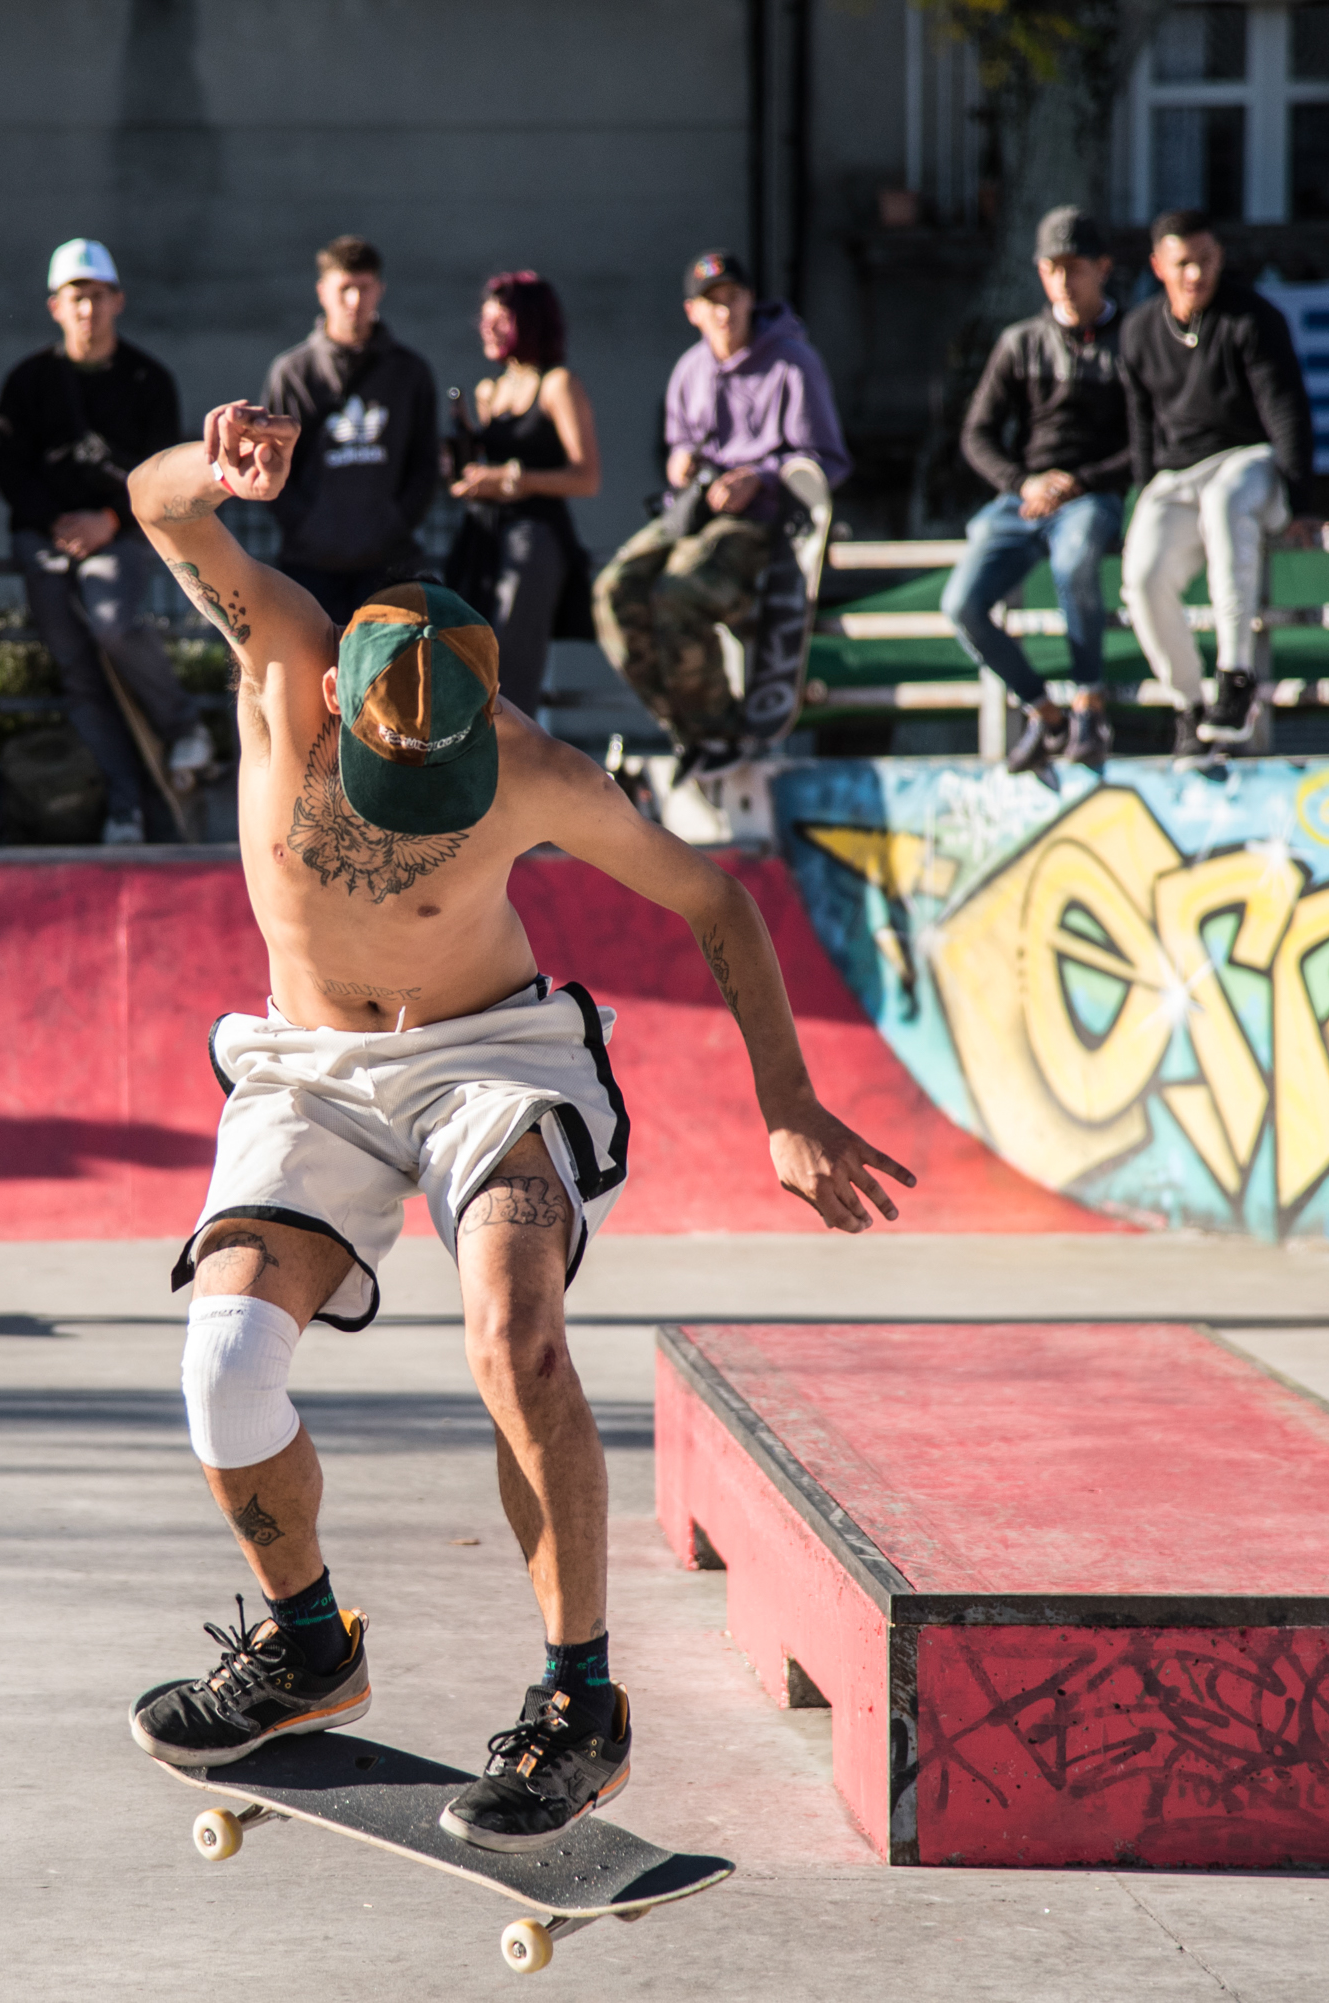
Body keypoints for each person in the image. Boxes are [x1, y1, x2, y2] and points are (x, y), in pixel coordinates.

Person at [121, 403, 915, 1851]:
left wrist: (787, 1099)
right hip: (309, 1065)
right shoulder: (281, 657)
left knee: (516, 1334)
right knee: (226, 1364)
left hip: (490, 1058)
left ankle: (579, 1702)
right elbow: (161, 511)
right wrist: (211, 465)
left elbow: (712, 896)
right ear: (342, 701)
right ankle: (308, 1644)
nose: (430, 804)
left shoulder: (537, 765)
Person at [0, 238, 208, 845]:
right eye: (75, 298)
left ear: (119, 301)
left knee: (112, 621)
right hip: (46, 536)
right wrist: (59, 526)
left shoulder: (148, 379)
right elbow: (11, 470)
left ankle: (182, 725)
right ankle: (123, 806)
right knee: (79, 668)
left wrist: (108, 522)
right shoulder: (29, 381)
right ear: (54, 307)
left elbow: (160, 469)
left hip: (123, 533)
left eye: (97, 297)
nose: (87, 309)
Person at [592, 250, 850, 748]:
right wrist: (681, 464)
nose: (724, 313)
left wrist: (760, 477)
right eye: (712, 303)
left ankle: (718, 730)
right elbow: (678, 447)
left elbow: (827, 459)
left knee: (679, 590)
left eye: (733, 298)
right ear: (692, 311)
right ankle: (686, 728)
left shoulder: (793, 363)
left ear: (751, 299)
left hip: (763, 520)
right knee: (613, 590)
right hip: (696, 510)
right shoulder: (690, 370)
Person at [1117, 211, 1318, 766]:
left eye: (1205, 261)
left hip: (1250, 462)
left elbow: (1288, 411)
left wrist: (1300, 500)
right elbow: (1140, 429)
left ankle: (1236, 677)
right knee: (1143, 574)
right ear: (1158, 267)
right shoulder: (1138, 332)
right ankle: (1188, 706)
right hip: (1177, 473)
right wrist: (1140, 499)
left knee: (1225, 504)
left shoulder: (1252, 319)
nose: (1195, 275)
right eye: (1183, 263)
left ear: (1220, 258)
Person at [948, 207, 1134, 775]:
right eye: (1053, 270)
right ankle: (1041, 710)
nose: (1063, 281)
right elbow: (977, 433)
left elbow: (1149, 442)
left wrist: (1080, 482)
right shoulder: (1020, 343)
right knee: (961, 606)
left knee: (1074, 561)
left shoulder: (1132, 340)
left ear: (1102, 268)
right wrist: (1021, 482)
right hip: (1026, 496)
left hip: (1091, 491)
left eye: (1074, 268)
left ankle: (1088, 702)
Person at [260, 236, 440, 626]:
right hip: (310, 565)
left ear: (380, 290)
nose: (355, 302)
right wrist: (309, 527)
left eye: (364, 289)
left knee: (390, 681)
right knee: (311, 677)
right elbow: (270, 467)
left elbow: (425, 464)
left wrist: (394, 522)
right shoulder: (293, 373)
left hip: (388, 563)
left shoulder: (410, 372)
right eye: (345, 289)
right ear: (323, 292)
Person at [445, 271, 600, 718]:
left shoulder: (558, 385)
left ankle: (514, 773)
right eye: (485, 320)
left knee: (512, 670)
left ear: (530, 322)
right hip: (483, 537)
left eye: (502, 320)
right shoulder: (489, 390)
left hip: (534, 539)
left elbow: (586, 478)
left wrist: (511, 478)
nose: (488, 329)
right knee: (464, 656)